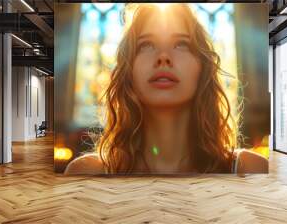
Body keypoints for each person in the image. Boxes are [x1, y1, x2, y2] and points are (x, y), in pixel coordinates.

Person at [65, 3, 268, 175]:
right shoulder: (86, 172)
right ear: (128, 69)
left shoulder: (249, 168)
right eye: (146, 45)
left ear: (202, 67)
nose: (163, 57)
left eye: (181, 44)